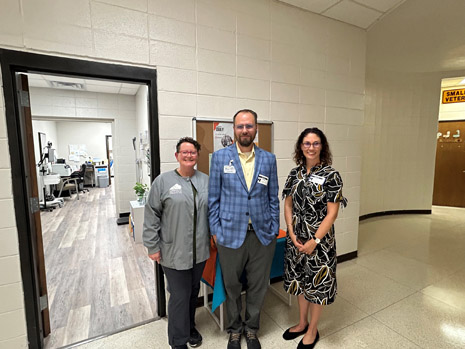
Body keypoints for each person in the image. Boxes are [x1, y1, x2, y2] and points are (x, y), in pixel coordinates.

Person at [208, 109, 280, 349]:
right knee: (232, 286)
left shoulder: (268, 159)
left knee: (258, 285)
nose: (245, 130)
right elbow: (213, 198)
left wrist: (273, 228)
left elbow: (273, 198)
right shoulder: (219, 158)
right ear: (234, 129)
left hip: (262, 235)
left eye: (249, 126)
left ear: (256, 128)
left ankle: (251, 329)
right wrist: (215, 230)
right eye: (240, 126)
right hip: (229, 234)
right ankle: (235, 330)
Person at [281, 128, 347, 349]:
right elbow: (288, 203)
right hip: (296, 239)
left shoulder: (331, 175)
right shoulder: (294, 173)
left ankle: (313, 329)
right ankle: (302, 322)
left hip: (320, 242)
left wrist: (315, 241)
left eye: (316, 143)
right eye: (307, 143)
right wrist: (290, 231)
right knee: (300, 282)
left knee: (316, 285)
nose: (311, 147)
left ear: (322, 146)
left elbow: (332, 213)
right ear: (301, 146)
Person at [143, 137, 210, 349]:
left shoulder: (205, 181)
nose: (189, 155)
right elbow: (152, 213)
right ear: (177, 156)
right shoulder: (163, 182)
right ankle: (178, 342)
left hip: (199, 251)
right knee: (179, 297)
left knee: (192, 293)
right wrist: (152, 246)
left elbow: (213, 212)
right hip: (173, 252)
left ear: (197, 156)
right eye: (184, 152)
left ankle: (189, 327)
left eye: (193, 152)